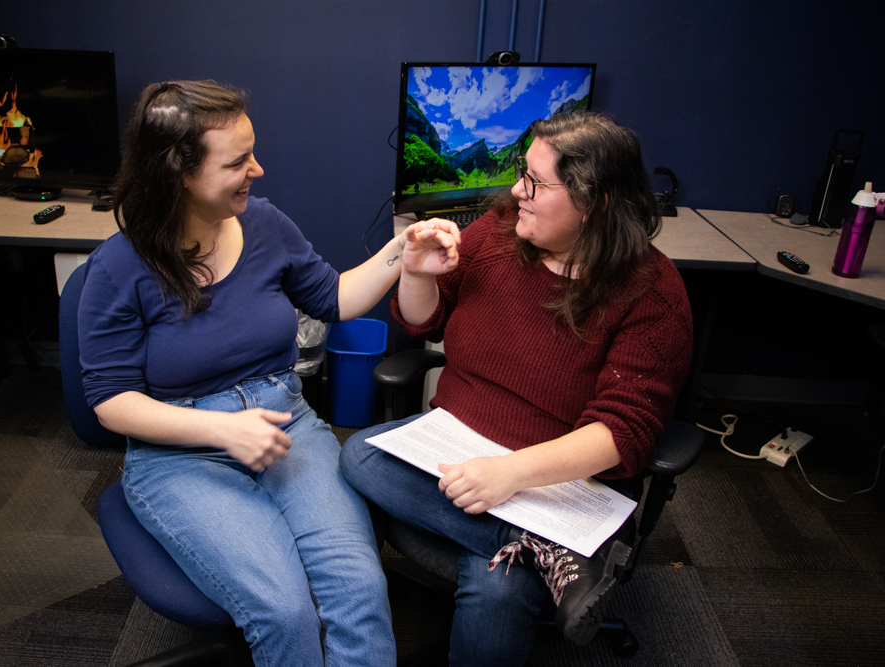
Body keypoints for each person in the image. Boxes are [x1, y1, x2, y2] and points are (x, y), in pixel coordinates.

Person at [77, 80, 460, 667]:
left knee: (359, 588)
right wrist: (223, 431)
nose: (258, 168)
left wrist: (401, 253)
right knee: (284, 612)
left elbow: (333, 296)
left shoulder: (265, 224)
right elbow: (110, 401)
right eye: (237, 161)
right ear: (177, 171)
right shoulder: (118, 267)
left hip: (286, 424)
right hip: (179, 452)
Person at [340, 111, 693, 665]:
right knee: (359, 456)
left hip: (560, 475)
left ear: (594, 201)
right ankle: (549, 553)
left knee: (497, 585)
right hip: (457, 440)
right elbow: (423, 323)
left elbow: (625, 434)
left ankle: (529, 548)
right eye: (519, 173)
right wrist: (416, 273)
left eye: (535, 182)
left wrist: (510, 474)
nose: (514, 190)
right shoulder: (501, 232)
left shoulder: (652, 293)